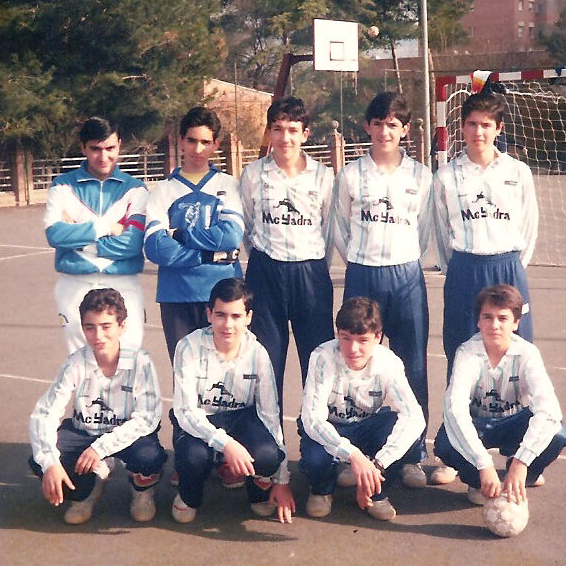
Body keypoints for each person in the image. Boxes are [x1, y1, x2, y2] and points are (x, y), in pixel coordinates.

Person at [431, 92, 538, 485]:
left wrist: (511, 270)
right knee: (461, 357)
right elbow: (441, 234)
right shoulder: (445, 177)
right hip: (465, 269)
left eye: (487, 125)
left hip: (508, 267)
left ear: (499, 129)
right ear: (462, 127)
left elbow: (529, 227)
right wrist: (459, 266)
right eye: (472, 123)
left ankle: (518, 454)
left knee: (516, 362)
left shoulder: (518, 172)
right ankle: (455, 451)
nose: (479, 131)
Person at [330, 92, 434, 490]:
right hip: (362, 274)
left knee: (412, 365)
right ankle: (349, 450)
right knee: (353, 364)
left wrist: (405, 256)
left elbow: (425, 231)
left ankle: (411, 455)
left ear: (405, 130)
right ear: (368, 127)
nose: (385, 130)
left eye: (394, 124)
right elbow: (339, 227)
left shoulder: (421, 176)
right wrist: (359, 257)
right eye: (379, 123)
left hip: (406, 275)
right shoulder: (351, 175)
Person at [28, 288, 167, 524]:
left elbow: (147, 417)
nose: (97, 335)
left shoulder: (140, 361)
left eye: (106, 326)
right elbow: (45, 413)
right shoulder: (76, 362)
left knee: (150, 456)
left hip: (126, 436)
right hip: (86, 432)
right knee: (40, 459)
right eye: (89, 327)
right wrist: (50, 462)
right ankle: (85, 492)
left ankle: (141, 492)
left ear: (121, 326)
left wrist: (100, 448)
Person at [169, 278, 295, 524]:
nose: (228, 324)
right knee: (194, 457)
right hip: (200, 418)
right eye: (220, 315)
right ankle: (188, 497)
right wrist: (227, 445)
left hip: (241, 417)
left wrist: (282, 479)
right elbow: (185, 411)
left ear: (248, 317)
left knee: (268, 455)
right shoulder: (188, 347)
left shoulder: (258, 353)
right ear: (208, 314)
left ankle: (260, 491)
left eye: (236, 316)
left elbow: (270, 415)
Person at [433, 285, 566, 506]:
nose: (494, 325)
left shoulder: (528, 354)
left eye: (503, 318)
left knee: (555, 434)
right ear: (478, 321)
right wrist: (483, 464)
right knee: (446, 443)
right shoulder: (467, 353)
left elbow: (549, 409)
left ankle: (522, 476)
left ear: (515, 323)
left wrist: (522, 461)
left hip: (514, 422)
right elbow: (454, 410)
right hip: (479, 423)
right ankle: (478, 481)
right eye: (487, 317)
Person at [239, 96, 335, 405]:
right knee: (266, 359)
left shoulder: (323, 176)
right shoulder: (254, 174)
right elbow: (247, 224)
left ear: (305, 134)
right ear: (269, 133)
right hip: (266, 271)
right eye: (278, 129)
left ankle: (316, 438)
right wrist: (262, 256)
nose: (285, 138)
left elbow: (329, 229)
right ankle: (270, 441)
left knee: (317, 357)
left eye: (293, 130)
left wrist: (316, 263)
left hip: (310, 272)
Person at [298, 297, 424, 521]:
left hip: (366, 425)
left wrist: (378, 464)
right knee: (315, 459)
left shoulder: (389, 362)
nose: (353, 349)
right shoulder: (322, 357)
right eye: (346, 338)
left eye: (363, 340)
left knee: (404, 433)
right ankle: (322, 490)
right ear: (337, 334)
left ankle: (377, 493)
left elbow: (414, 416)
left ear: (378, 337)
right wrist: (354, 456)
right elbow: (313, 419)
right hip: (332, 425)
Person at [145, 107, 244, 357]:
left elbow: (231, 235)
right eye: (191, 140)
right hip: (176, 295)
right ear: (180, 140)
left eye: (205, 142)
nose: (198, 149)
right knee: (185, 376)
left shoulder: (229, 185)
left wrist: (179, 235)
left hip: (223, 294)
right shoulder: (162, 191)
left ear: (215, 144)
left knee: (225, 374)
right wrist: (209, 256)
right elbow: (156, 248)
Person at [44, 118, 148, 354]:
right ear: (83, 148)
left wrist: (78, 240)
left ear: (119, 145)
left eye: (110, 148)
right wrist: (105, 227)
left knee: (128, 359)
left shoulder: (135, 189)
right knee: (81, 363)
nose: (103, 157)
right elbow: (55, 235)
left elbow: (132, 244)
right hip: (75, 284)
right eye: (95, 149)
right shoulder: (62, 187)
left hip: (123, 283)